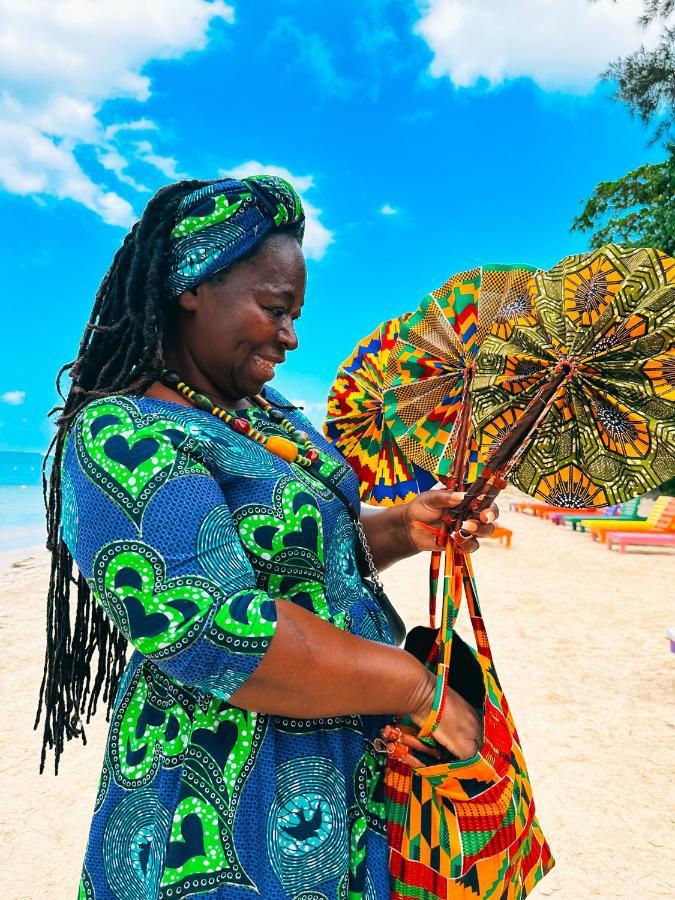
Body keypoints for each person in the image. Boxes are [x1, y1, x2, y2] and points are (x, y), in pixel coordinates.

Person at [37, 175, 497, 899]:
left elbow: (308, 558)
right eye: (274, 309)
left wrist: (406, 527)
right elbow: (222, 632)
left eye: (295, 314)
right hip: (227, 789)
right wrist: (416, 688)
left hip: (349, 752)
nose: (289, 336)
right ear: (192, 285)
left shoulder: (264, 412)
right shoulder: (120, 434)